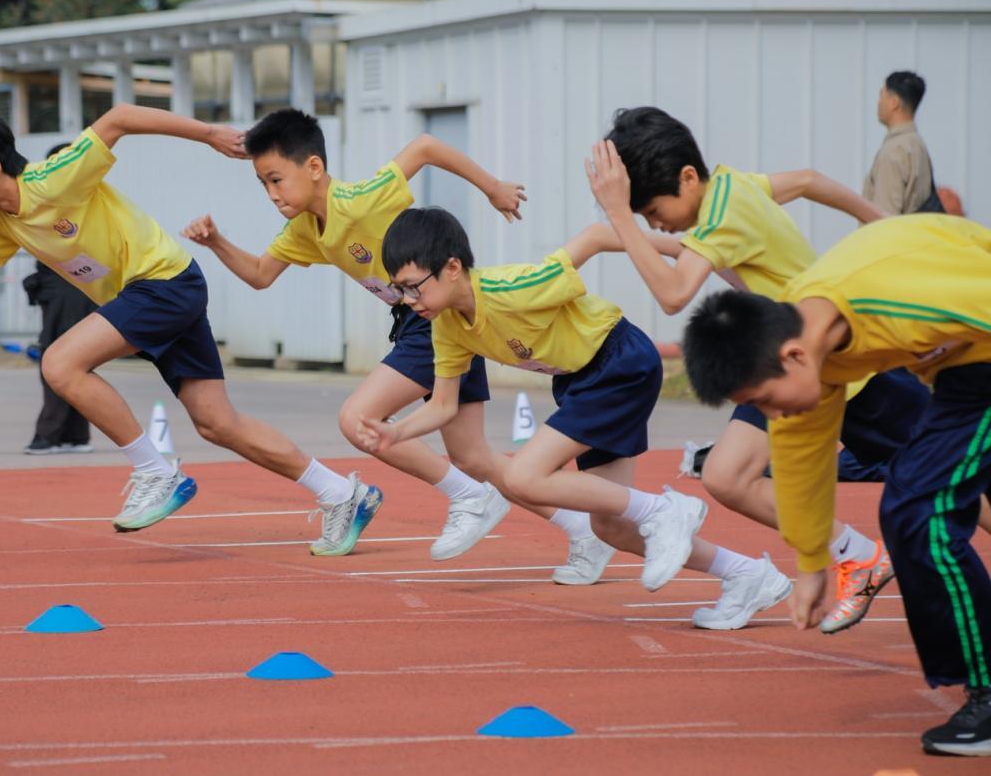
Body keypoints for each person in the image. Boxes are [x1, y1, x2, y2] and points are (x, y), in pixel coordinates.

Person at [0, 107, 381, 555]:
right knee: (217, 423)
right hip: (155, 293)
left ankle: (155, 471)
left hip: (162, 282)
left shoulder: (54, 178)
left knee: (60, 362)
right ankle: (342, 493)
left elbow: (119, 117)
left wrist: (209, 134)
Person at [357, 206, 791, 630]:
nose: (409, 301)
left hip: (618, 361)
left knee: (526, 475)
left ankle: (664, 510)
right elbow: (443, 405)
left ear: (452, 267)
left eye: (414, 287)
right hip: (579, 380)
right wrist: (396, 432)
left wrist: (687, 252)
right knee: (611, 528)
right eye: (400, 290)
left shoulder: (514, 288)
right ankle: (747, 575)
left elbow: (595, 237)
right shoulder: (447, 326)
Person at [589, 106, 928, 634]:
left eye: (653, 210)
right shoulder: (732, 188)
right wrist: (876, 218)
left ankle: (859, 556)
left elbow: (674, 293)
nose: (654, 222)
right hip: (787, 372)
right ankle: (857, 555)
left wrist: (619, 219)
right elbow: (809, 180)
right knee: (726, 475)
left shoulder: (720, 218)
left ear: (687, 177)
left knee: (953, 476)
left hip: (847, 370)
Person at [182, 107, 562, 564]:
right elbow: (261, 274)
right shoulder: (305, 228)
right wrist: (216, 242)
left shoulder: (360, 200)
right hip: (427, 319)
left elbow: (425, 146)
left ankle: (469, 496)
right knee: (473, 456)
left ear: (314, 167)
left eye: (277, 179)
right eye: (263, 183)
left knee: (358, 420)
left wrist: (492, 187)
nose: (271, 194)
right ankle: (583, 528)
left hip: (435, 316)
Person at [680, 213, 991, 757]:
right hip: (962, 370)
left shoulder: (897, 299)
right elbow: (801, 465)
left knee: (921, 511)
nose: (770, 417)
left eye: (764, 401)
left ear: (793, 357)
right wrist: (810, 565)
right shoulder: (809, 352)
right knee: (914, 507)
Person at [21, 142, 97, 455]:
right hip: (63, 287)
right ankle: (75, 435)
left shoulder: (78, 200)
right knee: (75, 360)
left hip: (73, 289)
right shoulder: (55, 200)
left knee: (58, 360)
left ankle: (49, 435)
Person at [865, 70, 941, 216]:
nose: (878, 102)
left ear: (894, 103)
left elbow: (884, 218)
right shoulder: (918, 145)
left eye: (881, 95)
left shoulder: (894, 150)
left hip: (893, 231)